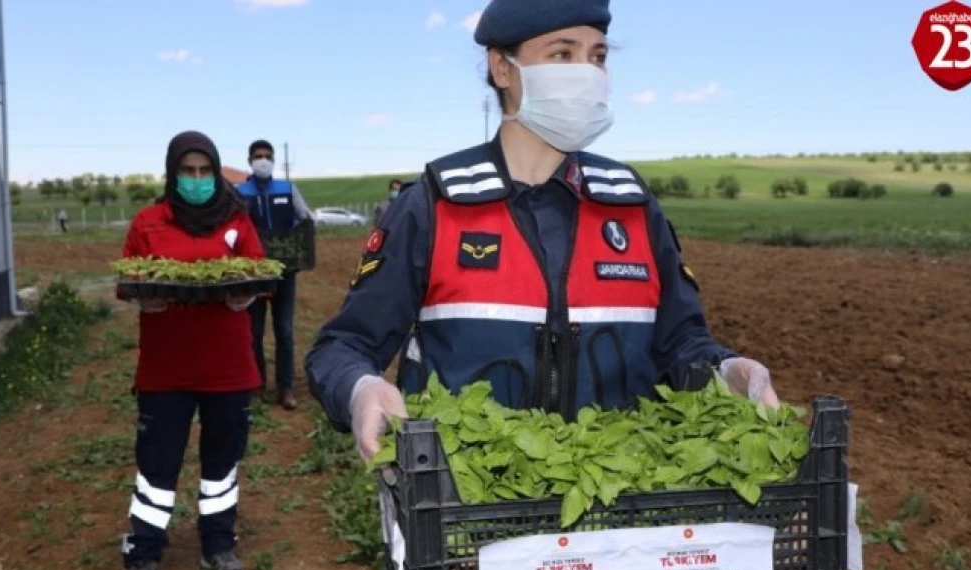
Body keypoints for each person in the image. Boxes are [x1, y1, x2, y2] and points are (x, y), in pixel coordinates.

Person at [304, 0, 781, 462]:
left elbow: (682, 346)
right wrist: (361, 389)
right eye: (562, 54)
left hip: (618, 508)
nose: (587, 73)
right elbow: (343, 347)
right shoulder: (434, 206)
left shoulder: (633, 206)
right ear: (503, 69)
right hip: (463, 512)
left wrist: (726, 372)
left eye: (597, 57)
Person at [118, 130, 265, 570]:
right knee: (156, 467)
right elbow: (129, 277)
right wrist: (147, 294)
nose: (198, 180)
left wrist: (247, 290)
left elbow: (259, 271)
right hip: (165, 370)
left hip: (227, 367)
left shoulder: (237, 221)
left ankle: (218, 544)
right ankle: (144, 554)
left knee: (221, 464)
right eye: (188, 171)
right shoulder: (149, 222)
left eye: (205, 171)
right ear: (173, 172)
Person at [236, 140, 313, 410]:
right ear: (250, 160)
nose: (263, 160)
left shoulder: (287, 189)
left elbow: (304, 218)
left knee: (284, 330)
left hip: (285, 271)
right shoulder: (239, 192)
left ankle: (286, 387)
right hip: (253, 274)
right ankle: (257, 384)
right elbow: (231, 225)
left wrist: (299, 238)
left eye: (268, 156)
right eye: (258, 156)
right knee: (253, 331)